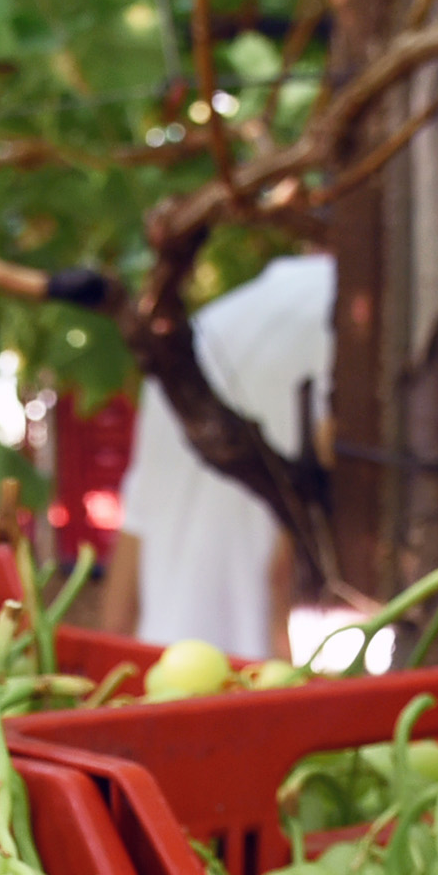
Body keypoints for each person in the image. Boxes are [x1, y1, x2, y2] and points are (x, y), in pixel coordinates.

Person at [99, 252, 335, 663]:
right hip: (265, 681)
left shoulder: (196, 332)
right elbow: (331, 482)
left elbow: (137, 523)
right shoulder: (354, 329)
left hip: (164, 666)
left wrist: (112, 667)